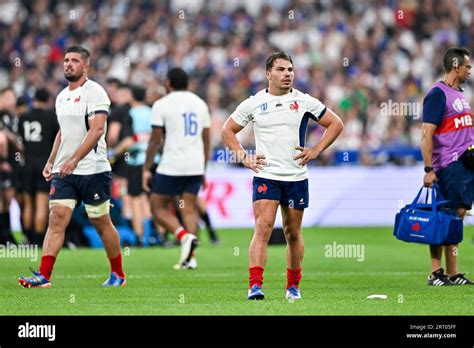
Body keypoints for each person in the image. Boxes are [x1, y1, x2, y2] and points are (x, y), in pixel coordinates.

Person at [221, 51, 344, 300]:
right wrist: (243, 157)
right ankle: (255, 285)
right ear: (268, 74)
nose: (287, 74)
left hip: (296, 177)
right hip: (266, 175)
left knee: (293, 233)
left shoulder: (304, 101)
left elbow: (336, 123)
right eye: (281, 70)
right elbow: (227, 130)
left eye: (290, 69)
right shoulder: (253, 102)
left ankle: (293, 287)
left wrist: (317, 150)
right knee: (262, 227)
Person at [18, 45, 125, 288]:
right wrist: (52, 160)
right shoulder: (61, 96)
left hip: (94, 170)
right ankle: (44, 276)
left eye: (75, 61)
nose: (68, 64)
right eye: (66, 60)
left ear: (86, 66)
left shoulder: (95, 92)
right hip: (64, 172)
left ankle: (118, 273)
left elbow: (97, 129)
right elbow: (62, 133)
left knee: (100, 221)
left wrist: (74, 159)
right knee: (56, 219)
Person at [143, 67, 211, 270]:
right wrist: (203, 168)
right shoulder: (200, 103)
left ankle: (183, 237)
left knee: (157, 206)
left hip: (172, 162)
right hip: (195, 163)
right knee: (188, 208)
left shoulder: (161, 104)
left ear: (168, 83)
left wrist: (147, 168)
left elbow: (156, 139)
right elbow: (206, 139)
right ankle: (191, 257)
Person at [421, 46, 473, 286]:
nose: (469, 70)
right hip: (449, 165)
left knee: (457, 216)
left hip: (466, 163)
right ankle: (436, 272)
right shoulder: (437, 94)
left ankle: (453, 273)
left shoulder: (460, 94)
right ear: (455, 65)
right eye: (467, 66)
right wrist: (429, 169)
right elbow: (426, 133)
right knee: (444, 216)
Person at [18, 88, 59, 246]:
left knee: (28, 202)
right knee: (42, 202)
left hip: (27, 164)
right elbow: (57, 138)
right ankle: (37, 240)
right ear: (48, 100)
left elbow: (20, 141)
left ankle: (26, 238)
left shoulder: (24, 117)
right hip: (44, 164)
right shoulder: (50, 116)